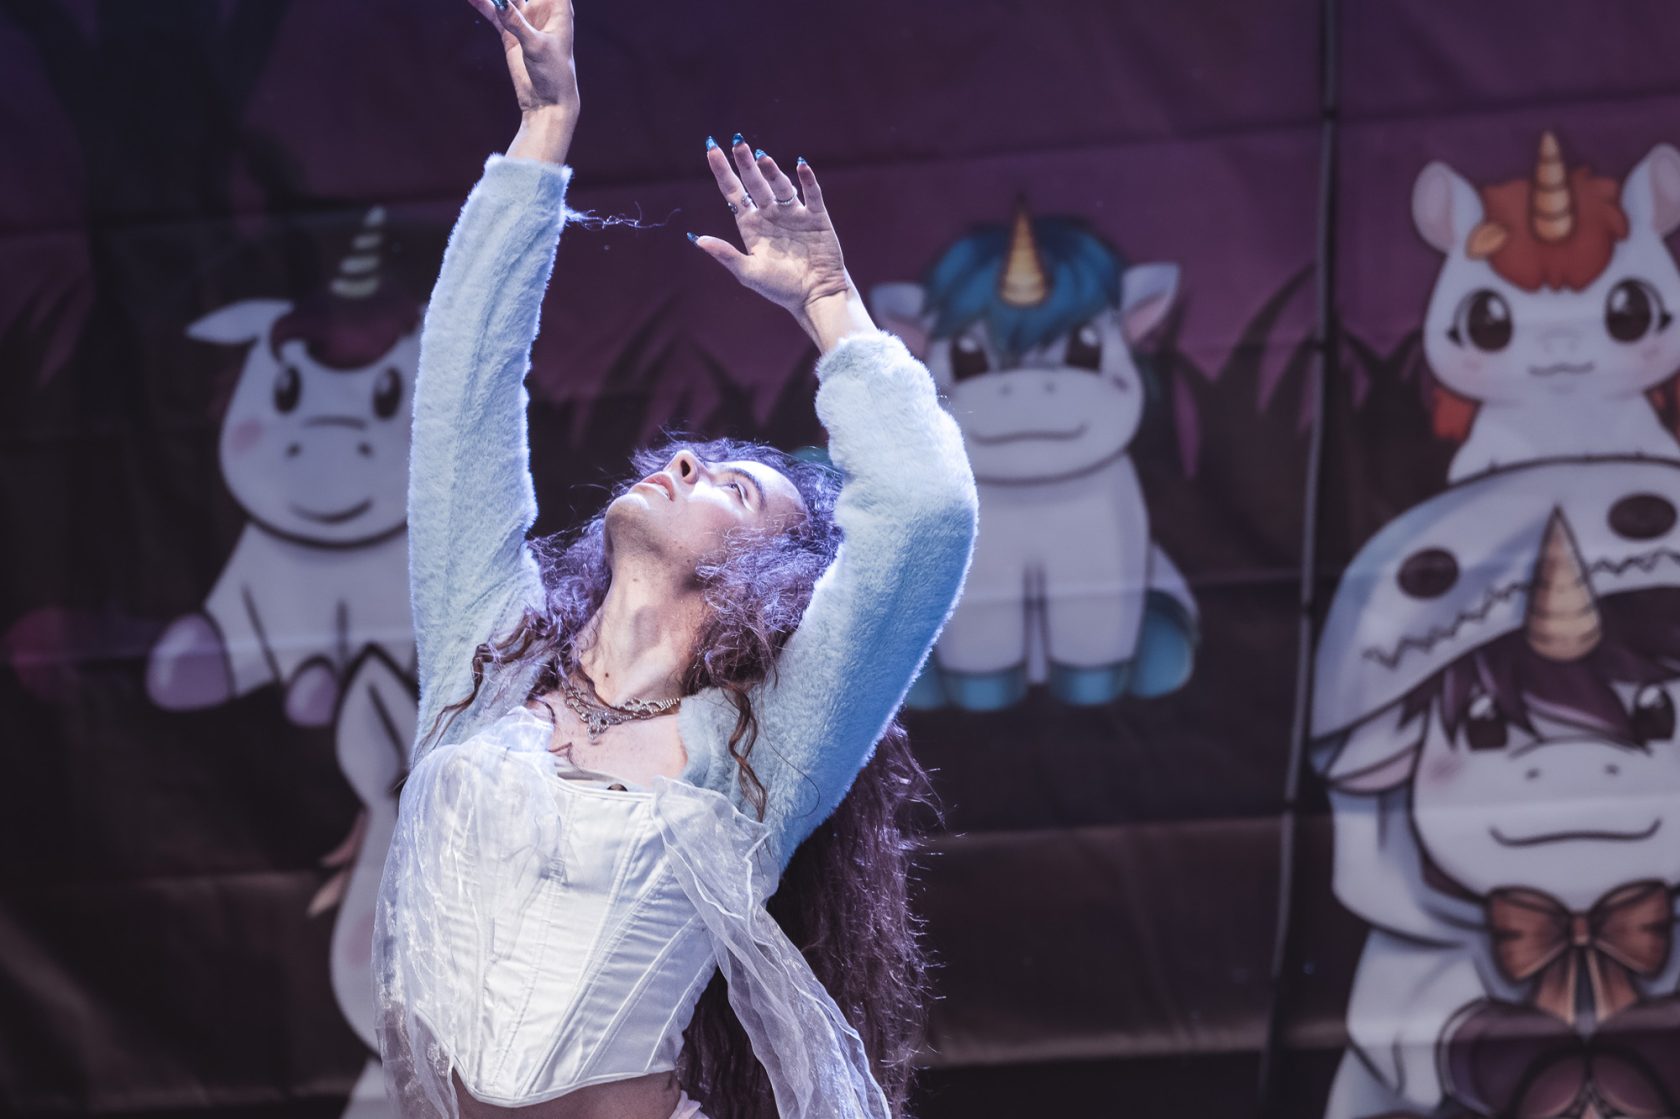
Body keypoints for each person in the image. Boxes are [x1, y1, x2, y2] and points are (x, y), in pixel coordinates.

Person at [372, 3, 979, 1118]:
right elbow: (463, 394)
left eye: (733, 489)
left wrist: (829, 305)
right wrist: (542, 132)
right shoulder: (491, 658)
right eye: (689, 459)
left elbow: (927, 513)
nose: (686, 462)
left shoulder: (761, 751)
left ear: (769, 584)